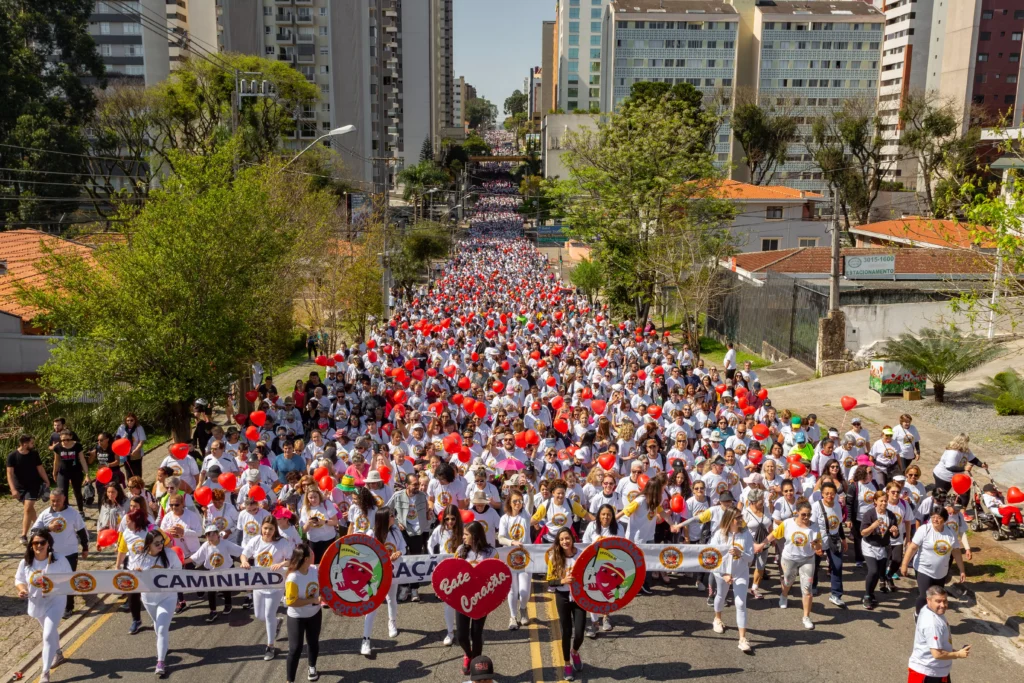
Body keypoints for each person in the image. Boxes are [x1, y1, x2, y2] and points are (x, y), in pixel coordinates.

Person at [14, 530, 72, 683]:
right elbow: (19, 580)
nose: (39, 546)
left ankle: (44, 673)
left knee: (47, 635)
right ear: (31, 545)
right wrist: (22, 590)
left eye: (42, 542)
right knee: (50, 632)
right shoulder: (26, 562)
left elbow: (70, 579)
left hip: (56, 601)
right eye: (35, 543)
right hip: (37, 602)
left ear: (48, 544)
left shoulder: (59, 560)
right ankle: (58, 654)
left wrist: (55, 584)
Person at [240, 517, 292, 661]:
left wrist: (282, 564)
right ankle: (277, 622)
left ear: (275, 530)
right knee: (259, 616)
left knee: (269, 615)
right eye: (265, 528)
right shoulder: (256, 540)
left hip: (275, 586)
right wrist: (244, 561)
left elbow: (291, 559)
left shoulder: (282, 543)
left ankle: (270, 646)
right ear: (261, 528)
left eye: (271, 529)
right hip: (259, 584)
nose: (267, 531)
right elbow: (244, 554)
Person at [31, 489, 88, 619]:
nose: (55, 503)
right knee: (51, 578)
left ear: (64, 499)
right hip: (52, 554)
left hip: (70, 553)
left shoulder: (73, 513)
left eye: (58, 500)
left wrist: (85, 547)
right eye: (53, 501)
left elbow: (81, 530)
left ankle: (69, 607)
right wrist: (48, 528)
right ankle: (53, 603)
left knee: (68, 579)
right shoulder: (45, 514)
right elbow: (33, 532)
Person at [901, 506, 967, 616]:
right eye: (933, 517)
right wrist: (904, 564)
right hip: (923, 569)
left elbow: (956, 551)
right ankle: (918, 616)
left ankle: (934, 618)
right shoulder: (924, 529)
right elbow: (912, 547)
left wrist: (962, 570)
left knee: (937, 597)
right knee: (925, 596)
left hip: (941, 572)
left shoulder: (950, 533)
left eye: (939, 517)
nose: (935, 520)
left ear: (945, 519)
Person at [134, 530, 182, 677]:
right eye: (156, 543)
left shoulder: (170, 554)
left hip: (168, 597)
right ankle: (163, 645)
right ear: (148, 544)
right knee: (157, 624)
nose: (160, 545)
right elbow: (131, 577)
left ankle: (160, 662)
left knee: (161, 629)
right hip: (148, 600)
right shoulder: (140, 558)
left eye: (162, 542)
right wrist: (136, 572)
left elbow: (179, 572)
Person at [771, 500, 823, 630]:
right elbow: (774, 534)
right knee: (788, 581)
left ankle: (806, 617)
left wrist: (817, 547)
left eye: (809, 514)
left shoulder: (815, 527)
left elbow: (818, 545)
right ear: (797, 513)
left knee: (807, 589)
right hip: (790, 558)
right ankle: (784, 595)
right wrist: (760, 545)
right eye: (803, 514)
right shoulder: (787, 523)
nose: (806, 517)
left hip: (807, 559)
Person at [453, 521, 495, 676]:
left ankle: (476, 664)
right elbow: (452, 572)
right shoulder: (460, 550)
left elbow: (497, 574)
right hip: (462, 598)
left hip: (481, 599)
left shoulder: (490, 552)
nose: (463, 537)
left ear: (475, 536)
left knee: (476, 635)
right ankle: (468, 654)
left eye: (466, 534)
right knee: (461, 636)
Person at [710, 508, 754, 652]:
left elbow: (750, 557)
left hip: (741, 573)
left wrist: (740, 553)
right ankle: (717, 618)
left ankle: (742, 638)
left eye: (741, 516)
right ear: (729, 520)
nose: (741, 519)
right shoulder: (719, 534)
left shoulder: (746, 534)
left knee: (740, 603)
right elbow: (711, 559)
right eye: (738, 517)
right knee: (721, 595)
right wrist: (723, 574)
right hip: (722, 574)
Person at [361, 508, 403, 656]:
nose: (394, 517)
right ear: (384, 518)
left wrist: (399, 553)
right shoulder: (371, 534)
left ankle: (392, 622)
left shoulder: (395, 531)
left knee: (392, 599)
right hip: (375, 574)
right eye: (392, 515)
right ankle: (366, 640)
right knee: (373, 605)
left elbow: (403, 547)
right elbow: (365, 555)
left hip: (393, 572)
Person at [908, 586, 970, 683]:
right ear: (928, 600)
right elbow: (937, 654)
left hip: (937, 671)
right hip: (928, 674)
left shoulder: (928, 609)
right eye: (938, 601)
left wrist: (954, 651)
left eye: (945, 601)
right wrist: (958, 654)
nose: (943, 605)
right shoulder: (933, 624)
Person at [546, 526, 585, 681]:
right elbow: (550, 581)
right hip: (562, 596)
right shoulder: (554, 557)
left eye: (567, 538)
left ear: (572, 539)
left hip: (579, 597)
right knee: (566, 632)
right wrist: (562, 581)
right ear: (558, 541)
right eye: (561, 539)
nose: (565, 541)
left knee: (580, 633)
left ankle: (574, 652)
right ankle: (567, 664)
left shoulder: (581, 555)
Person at [284, 543, 322, 683]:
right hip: (297, 617)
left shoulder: (314, 570)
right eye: (311, 554)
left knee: (313, 642)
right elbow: (291, 602)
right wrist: (312, 600)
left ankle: (312, 667)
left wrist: (335, 607)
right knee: (295, 648)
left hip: (314, 614)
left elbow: (324, 589)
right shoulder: (293, 578)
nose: (313, 555)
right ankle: (290, 680)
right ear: (306, 559)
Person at [189, 524, 243, 622]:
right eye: (208, 535)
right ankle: (213, 611)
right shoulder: (205, 545)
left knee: (226, 589)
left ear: (218, 534)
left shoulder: (225, 543)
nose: (211, 537)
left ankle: (228, 605)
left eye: (213, 534)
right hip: (212, 572)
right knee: (211, 591)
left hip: (226, 570)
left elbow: (240, 551)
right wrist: (182, 561)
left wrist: (247, 559)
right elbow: (196, 557)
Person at [389, 473, 428, 603]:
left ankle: (415, 589)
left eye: (418, 484)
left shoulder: (422, 496)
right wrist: (396, 523)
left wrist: (429, 515)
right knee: (403, 560)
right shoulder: (397, 496)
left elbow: (427, 512)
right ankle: (404, 588)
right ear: (407, 485)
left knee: (416, 560)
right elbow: (387, 510)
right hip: (403, 532)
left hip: (418, 532)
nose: (418, 487)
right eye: (415, 484)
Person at [497, 490, 532, 630]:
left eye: (520, 501)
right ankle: (513, 616)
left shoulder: (526, 515)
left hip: (526, 558)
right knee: (512, 590)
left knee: (524, 592)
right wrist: (512, 542)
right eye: (515, 501)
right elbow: (500, 538)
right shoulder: (504, 519)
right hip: (510, 558)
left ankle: (523, 608)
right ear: (509, 503)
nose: (518, 503)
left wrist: (530, 491)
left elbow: (530, 503)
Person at [8, 434, 50, 546]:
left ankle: (23, 535)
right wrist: (13, 489)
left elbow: (40, 468)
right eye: (31, 443)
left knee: (27, 508)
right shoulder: (12, 456)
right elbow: (9, 474)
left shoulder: (34, 454)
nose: (33, 445)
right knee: (30, 509)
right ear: (24, 444)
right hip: (19, 487)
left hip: (33, 485)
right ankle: (41, 529)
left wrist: (46, 480)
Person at [861, 491, 898, 610]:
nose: (884, 503)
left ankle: (871, 594)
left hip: (883, 547)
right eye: (881, 501)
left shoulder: (891, 515)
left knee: (878, 573)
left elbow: (894, 536)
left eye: (885, 501)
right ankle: (867, 596)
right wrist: (873, 526)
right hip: (869, 546)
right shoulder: (869, 514)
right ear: (875, 501)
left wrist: (895, 532)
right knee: (873, 571)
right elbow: (863, 532)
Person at [51, 429, 89, 515]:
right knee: (63, 493)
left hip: (76, 472)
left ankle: (81, 511)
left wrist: (87, 474)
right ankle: (66, 512)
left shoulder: (77, 446)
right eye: (63, 440)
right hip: (63, 473)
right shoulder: (57, 447)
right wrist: (54, 472)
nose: (65, 442)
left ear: (71, 437)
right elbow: (56, 461)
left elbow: (82, 460)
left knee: (77, 492)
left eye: (68, 439)